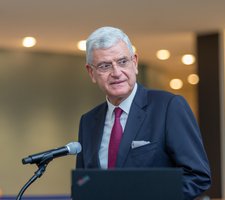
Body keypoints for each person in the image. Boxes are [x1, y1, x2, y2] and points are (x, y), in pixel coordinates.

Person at [75, 26, 211, 200]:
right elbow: (84, 182)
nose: (116, 73)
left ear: (135, 62)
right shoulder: (88, 122)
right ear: (91, 72)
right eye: (105, 66)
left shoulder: (168, 107)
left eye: (123, 61)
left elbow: (198, 176)